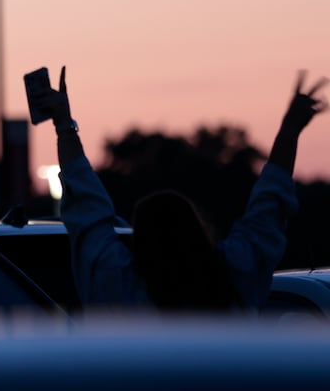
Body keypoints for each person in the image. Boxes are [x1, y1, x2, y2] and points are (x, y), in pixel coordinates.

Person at [31, 66, 327, 313]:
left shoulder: (116, 283)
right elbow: (269, 207)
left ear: (140, 240)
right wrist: (290, 131)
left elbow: (87, 209)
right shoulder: (236, 276)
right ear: (199, 232)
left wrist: (64, 125)